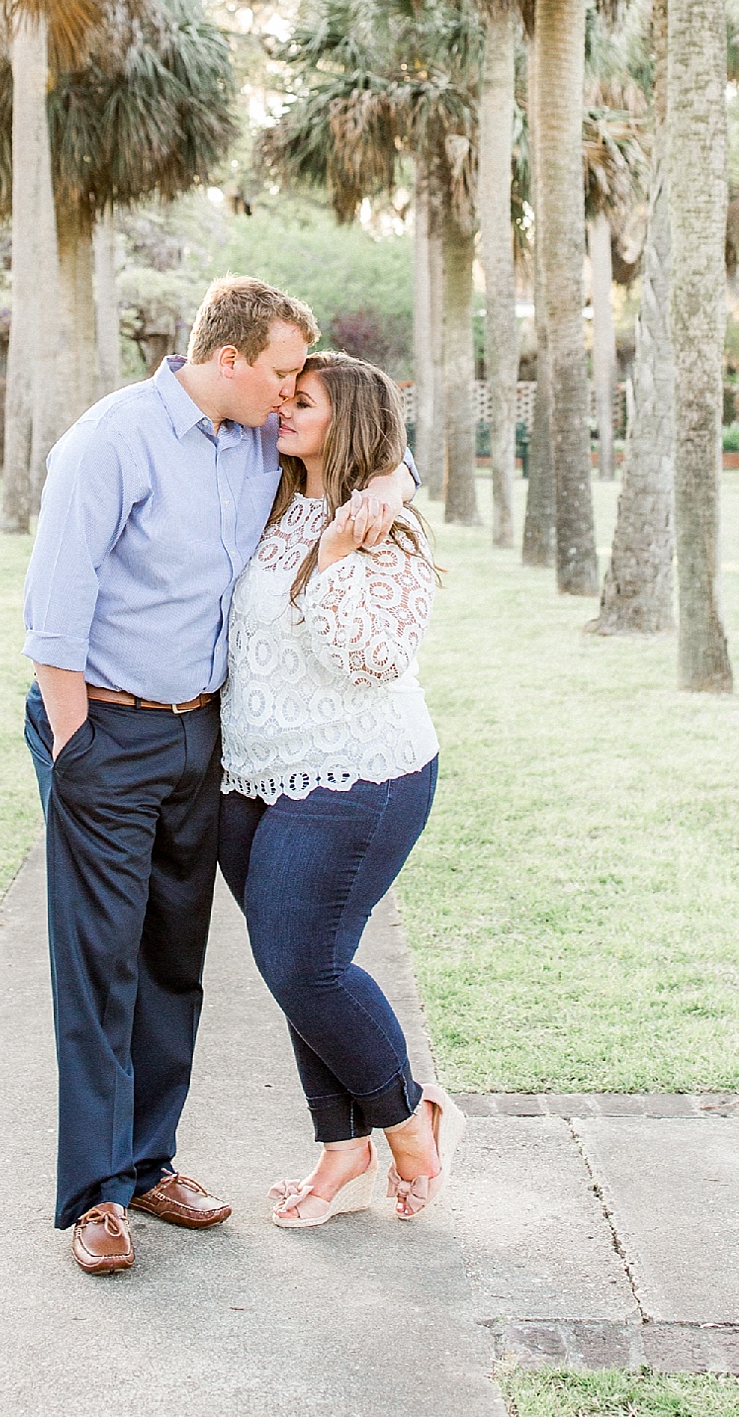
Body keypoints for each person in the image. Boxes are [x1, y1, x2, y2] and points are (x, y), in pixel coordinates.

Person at [22, 277, 417, 1277]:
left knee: (171, 962)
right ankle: (97, 1196)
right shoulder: (109, 440)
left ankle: (150, 1162)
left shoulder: (253, 437)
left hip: (202, 741)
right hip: (104, 730)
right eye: (282, 370)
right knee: (99, 961)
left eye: (298, 382)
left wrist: (393, 486)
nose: (290, 393)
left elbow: (375, 443)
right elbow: (54, 610)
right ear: (231, 357)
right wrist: (77, 748)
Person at [219, 350, 466, 1229]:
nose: (281, 407)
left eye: (304, 401)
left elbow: (372, 659)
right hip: (249, 780)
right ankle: (341, 1144)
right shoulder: (270, 494)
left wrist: (333, 553)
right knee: (300, 972)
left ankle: (405, 1121)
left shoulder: (389, 534)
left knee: (303, 963)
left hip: (360, 774)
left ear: (349, 421)